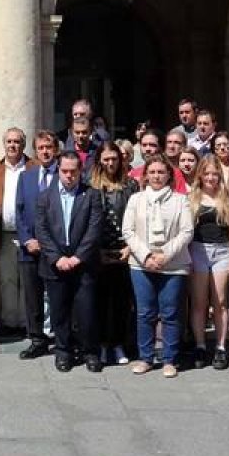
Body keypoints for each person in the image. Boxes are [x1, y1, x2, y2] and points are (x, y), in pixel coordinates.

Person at [122, 154, 193, 378]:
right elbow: (128, 231)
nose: (156, 176)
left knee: (170, 313)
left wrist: (165, 254)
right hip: (141, 264)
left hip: (173, 265)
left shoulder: (181, 200)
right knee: (145, 313)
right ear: (145, 176)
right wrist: (146, 255)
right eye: (152, 172)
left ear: (169, 176)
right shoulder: (136, 199)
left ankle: (170, 359)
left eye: (161, 172)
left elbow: (186, 231)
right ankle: (146, 357)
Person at [35, 150, 103, 373]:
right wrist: (57, 258)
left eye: (73, 171)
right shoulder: (45, 196)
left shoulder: (91, 195)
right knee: (59, 311)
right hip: (55, 264)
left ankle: (90, 352)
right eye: (64, 171)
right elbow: (42, 230)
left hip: (83, 264)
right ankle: (63, 351)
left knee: (87, 311)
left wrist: (77, 257)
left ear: (80, 171)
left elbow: (94, 229)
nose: (69, 176)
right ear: (58, 170)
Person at [13, 130, 59, 360]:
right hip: (29, 247)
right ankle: (37, 339)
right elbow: (18, 212)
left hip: (56, 249)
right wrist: (26, 239)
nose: (45, 151)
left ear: (56, 149)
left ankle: (62, 341)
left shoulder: (66, 174)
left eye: (49, 147)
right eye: (41, 147)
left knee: (57, 295)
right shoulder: (26, 176)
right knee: (32, 296)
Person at [90, 141, 137, 366]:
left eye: (114, 159)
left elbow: (137, 218)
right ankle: (100, 345)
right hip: (98, 252)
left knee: (121, 301)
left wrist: (131, 246)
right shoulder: (91, 186)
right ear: (100, 159)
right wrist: (95, 249)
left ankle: (118, 344)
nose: (110, 163)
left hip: (124, 251)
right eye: (106, 159)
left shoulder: (131, 185)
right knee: (98, 302)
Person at [186, 155, 229, 370]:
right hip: (198, 250)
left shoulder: (227, 197)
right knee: (199, 302)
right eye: (207, 173)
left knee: (220, 301)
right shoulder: (192, 198)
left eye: (215, 173)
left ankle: (221, 347)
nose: (211, 177)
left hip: (222, 249)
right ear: (200, 175)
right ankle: (201, 345)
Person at [0, 128, 32, 336]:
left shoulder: (34, 167)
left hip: (28, 234)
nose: (13, 145)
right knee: (7, 279)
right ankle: (9, 321)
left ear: (23, 145)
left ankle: (26, 322)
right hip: (3, 233)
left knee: (26, 279)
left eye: (17, 142)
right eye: (9, 142)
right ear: (4, 144)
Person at [129, 130, 186, 194]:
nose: (147, 149)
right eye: (144, 145)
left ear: (162, 148)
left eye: (152, 145)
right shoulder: (134, 173)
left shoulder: (175, 174)